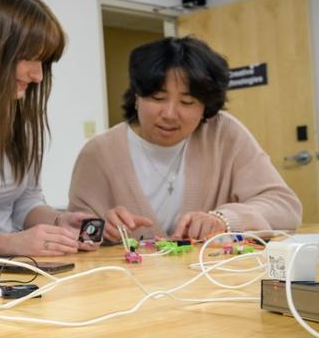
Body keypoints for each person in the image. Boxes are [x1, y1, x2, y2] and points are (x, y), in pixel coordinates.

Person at [68, 36, 302, 241]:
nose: (170, 114)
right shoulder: (98, 153)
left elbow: (286, 208)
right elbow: (75, 232)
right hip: (129, 287)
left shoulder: (224, 134)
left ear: (206, 107)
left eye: (187, 102)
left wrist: (225, 219)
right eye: (158, 98)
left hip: (213, 283)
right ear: (137, 96)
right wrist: (100, 230)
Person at [0, 0, 97, 258]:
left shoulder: (24, 121)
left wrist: (59, 222)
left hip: (15, 264)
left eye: (43, 61)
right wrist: (9, 243)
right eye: (28, 57)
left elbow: (26, 203)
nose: (38, 75)